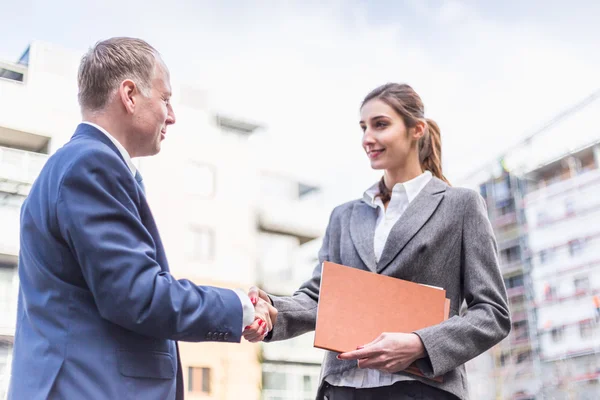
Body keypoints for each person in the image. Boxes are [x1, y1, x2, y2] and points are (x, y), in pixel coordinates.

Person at [8, 37, 276, 400]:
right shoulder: (92, 165)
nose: (173, 115)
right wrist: (241, 307)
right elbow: (137, 294)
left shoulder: (76, 165)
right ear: (130, 94)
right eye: (166, 99)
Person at [244, 83, 510, 399]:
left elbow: (492, 312)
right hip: (343, 388)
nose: (367, 138)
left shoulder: (460, 205)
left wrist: (419, 344)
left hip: (419, 389)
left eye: (380, 124)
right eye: (363, 127)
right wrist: (274, 311)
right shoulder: (344, 216)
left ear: (416, 129)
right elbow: (321, 297)